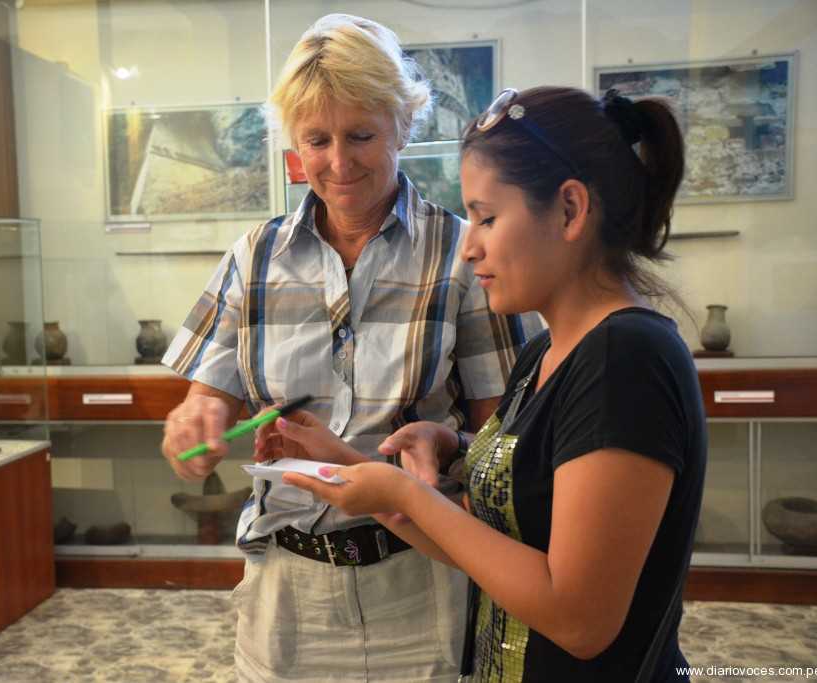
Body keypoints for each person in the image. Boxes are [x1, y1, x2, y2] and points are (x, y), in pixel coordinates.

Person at [279, 86, 707, 682]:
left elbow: (580, 620)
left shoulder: (624, 359)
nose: (469, 248)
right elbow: (483, 547)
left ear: (569, 210)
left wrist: (408, 495)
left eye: (487, 218)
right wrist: (348, 464)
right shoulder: (542, 354)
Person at [160, 14, 541, 682]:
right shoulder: (255, 256)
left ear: (403, 126)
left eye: (361, 135)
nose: (339, 163)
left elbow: (504, 442)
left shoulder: (463, 255)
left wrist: (445, 451)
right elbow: (207, 395)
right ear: (295, 143)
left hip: (418, 583)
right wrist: (197, 420)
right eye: (317, 139)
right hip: (285, 588)